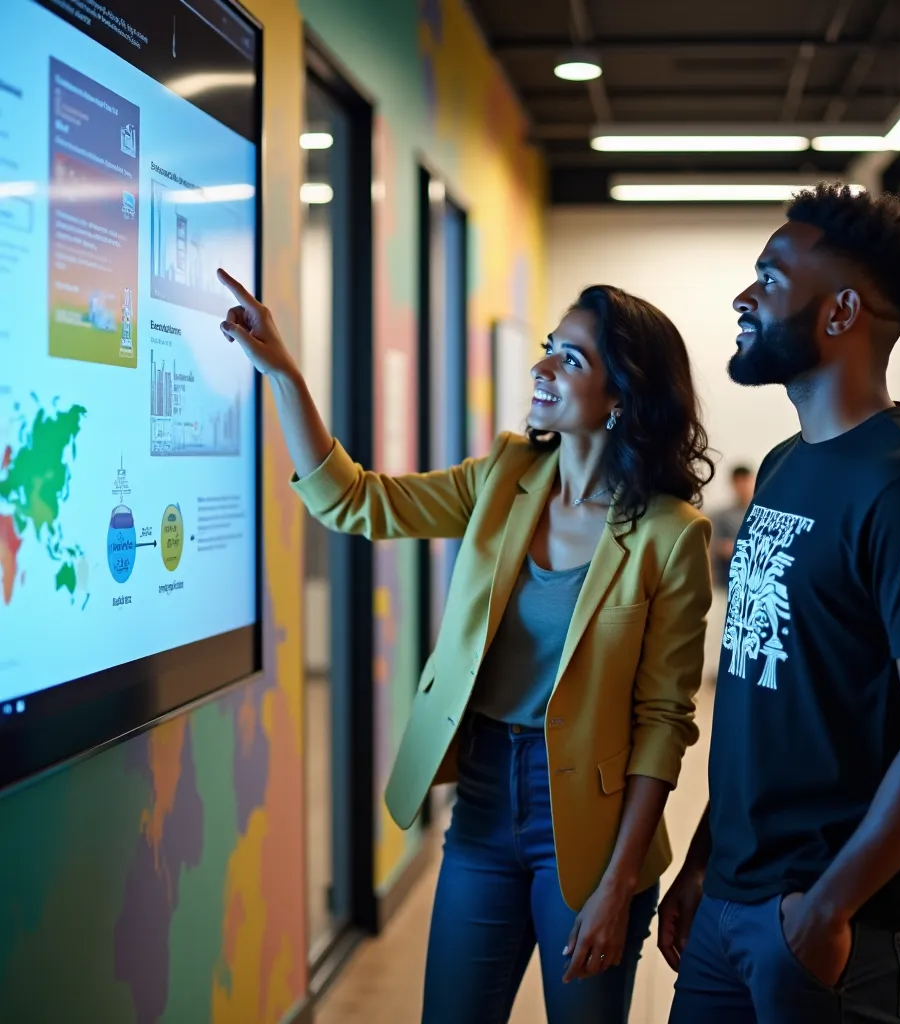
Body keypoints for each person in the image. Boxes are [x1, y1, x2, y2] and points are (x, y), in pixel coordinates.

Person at [215, 271, 714, 1024]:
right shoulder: (507, 475)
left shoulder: (671, 534)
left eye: (571, 360)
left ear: (622, 399)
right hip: (483, 799)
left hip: (592, 823)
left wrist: (616, 887)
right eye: (549, 349)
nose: (543, 367)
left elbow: (664, 721)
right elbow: (354, 500)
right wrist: (284, 373)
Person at [658, 183, 900, 1024]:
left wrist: (828, 908)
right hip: (733, 893)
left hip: (837, 919)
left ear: (842, 312)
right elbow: (760, 690)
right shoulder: (780, 466)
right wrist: (705, 857)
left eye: (769, 276)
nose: (744, 296)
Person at [708, 465, 755, 589]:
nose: (742, 487)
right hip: (729, 579)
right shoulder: (722, 516)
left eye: (745, 481)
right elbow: (714, 545)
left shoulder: (762, 514)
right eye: (738, 482)